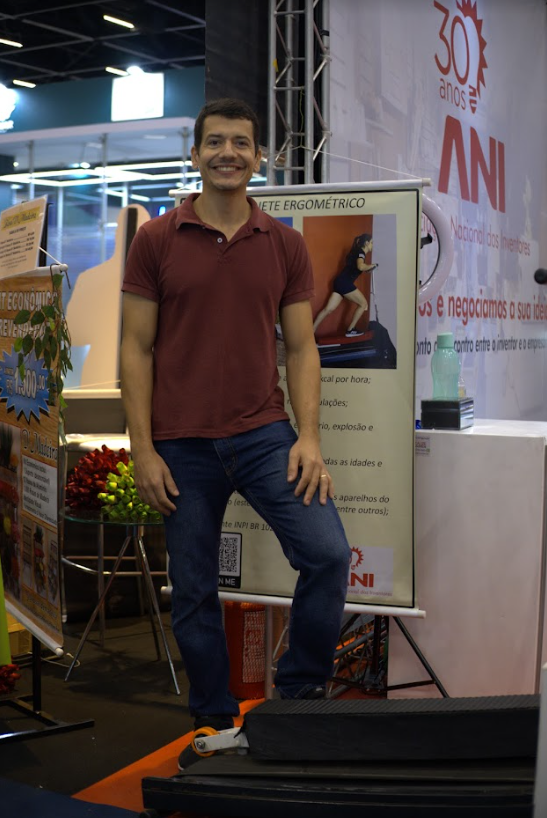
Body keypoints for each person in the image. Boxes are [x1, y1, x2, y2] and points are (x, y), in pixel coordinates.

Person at [120, 99, 351, 740]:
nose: (228, 153)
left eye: (241, 143)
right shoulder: (155, 240)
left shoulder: (284, 244)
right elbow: (135, 348)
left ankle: (300, 696)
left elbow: (301, 348)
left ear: (259, 157)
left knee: (328, 554)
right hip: (180, 443)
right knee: (194, 587)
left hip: (263, 434)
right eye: (215, 142)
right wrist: (142, 449)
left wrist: (309, 437)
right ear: (195, 154)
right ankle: (214, 718)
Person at [313, 233, 378, 337]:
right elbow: (361, 267)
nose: (372, 245)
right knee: (363, 304)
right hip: (344, 283)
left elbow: (360, 267)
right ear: (366, 243)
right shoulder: (361, 253)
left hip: (339, 282)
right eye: (371, 242)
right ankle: (350, 330)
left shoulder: (358, 252)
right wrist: (373, 265)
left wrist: (369, 267)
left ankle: (310, 332)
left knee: (328, 309)